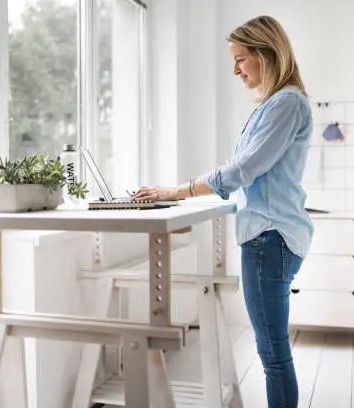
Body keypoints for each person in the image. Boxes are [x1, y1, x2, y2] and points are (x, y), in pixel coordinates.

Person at [133, 15, 313, 408]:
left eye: (241, 59)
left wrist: (178, 191)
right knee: (272, 350)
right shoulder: (277, 104)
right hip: (270, 235)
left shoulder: (286, 103)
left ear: (267, 54)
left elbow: (243, 169)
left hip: (271, 237)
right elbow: (251, 177)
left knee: (272, 354)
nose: (235, 70)